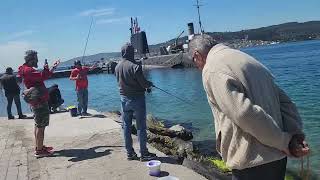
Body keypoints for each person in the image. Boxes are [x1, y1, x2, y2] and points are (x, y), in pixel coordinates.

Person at [188, 34, 310, 180]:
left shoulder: (212, 69)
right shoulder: (248, 60)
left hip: (252, 160)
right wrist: (294, 136)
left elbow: (243, 113)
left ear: (197, 55)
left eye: (194, 62)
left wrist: (284, 141)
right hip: (278, 157)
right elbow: (285, 103)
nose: (197, 68)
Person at [115, 43, 156, 161]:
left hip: (124, 100)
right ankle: (144, 153)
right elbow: (143, 83)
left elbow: (120, 82)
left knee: (126, 126)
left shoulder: (117, 67)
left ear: (122, 53)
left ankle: (130, 153)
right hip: (137, 100)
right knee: (141, 127)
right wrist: (149, 85)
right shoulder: (135, 66)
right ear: (131, 53)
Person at [18, 50, 60, 157]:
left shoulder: (24, 69)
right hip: (40, 102)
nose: (37, 61)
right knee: (41, 127)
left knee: (38, 125)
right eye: (36, 59)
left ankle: (39, 147)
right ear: (31, 59)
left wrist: (51, 68)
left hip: (36, 101)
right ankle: (40, 151)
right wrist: (48, 68)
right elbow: (44, 76)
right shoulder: (29, 71)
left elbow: (42, 76)